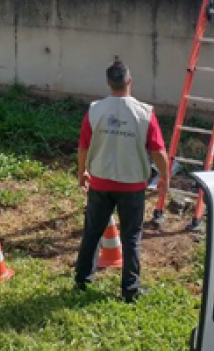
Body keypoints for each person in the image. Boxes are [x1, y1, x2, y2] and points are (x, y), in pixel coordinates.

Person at [74, 58, 170, 303]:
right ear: (130, 81)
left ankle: (83, 280)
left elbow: (83, 147)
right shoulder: (144, 113)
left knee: (92, 232)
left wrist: (82, 172)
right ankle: (130, 290)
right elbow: (158, 152)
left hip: (100, 182)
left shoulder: (95, 110)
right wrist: (165, 179)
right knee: (131, 237)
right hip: (132, 185)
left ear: (109, 83)